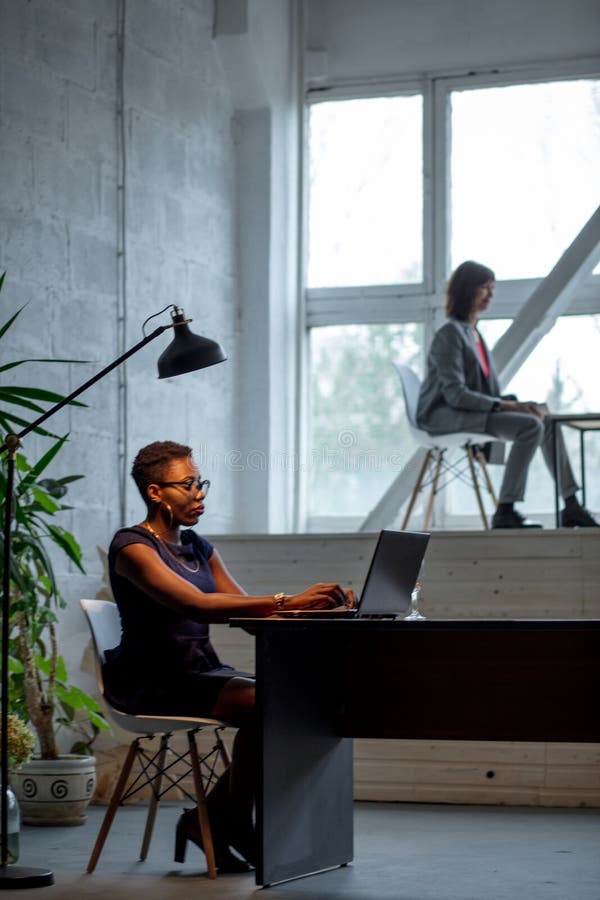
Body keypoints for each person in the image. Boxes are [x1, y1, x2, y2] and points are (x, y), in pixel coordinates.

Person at [102, 440, 353, 873]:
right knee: (271, 706)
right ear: (155, 492)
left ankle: (215, 820)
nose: (199, 493)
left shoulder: (199, 547)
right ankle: (232, 821)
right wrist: (286, 598)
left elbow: (244, 609)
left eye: (200, 483)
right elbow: (194, 606)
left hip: (200, 673)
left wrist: (312, 606)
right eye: (187, 484)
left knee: (299, 702)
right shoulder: (132, 548)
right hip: (153, 681)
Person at [416, 260, 598, 529]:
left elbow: (481, 392)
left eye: (492, 289)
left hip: (469, 410)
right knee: (529, 427)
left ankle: (571, 504)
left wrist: (521, 404)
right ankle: (505, 510)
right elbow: (456, 395)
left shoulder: (473, 334)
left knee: (544, 419)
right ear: (467, 291)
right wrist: (510, 407)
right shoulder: (450, 335)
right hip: (444, 415)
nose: (491, 295)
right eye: (484, 288)